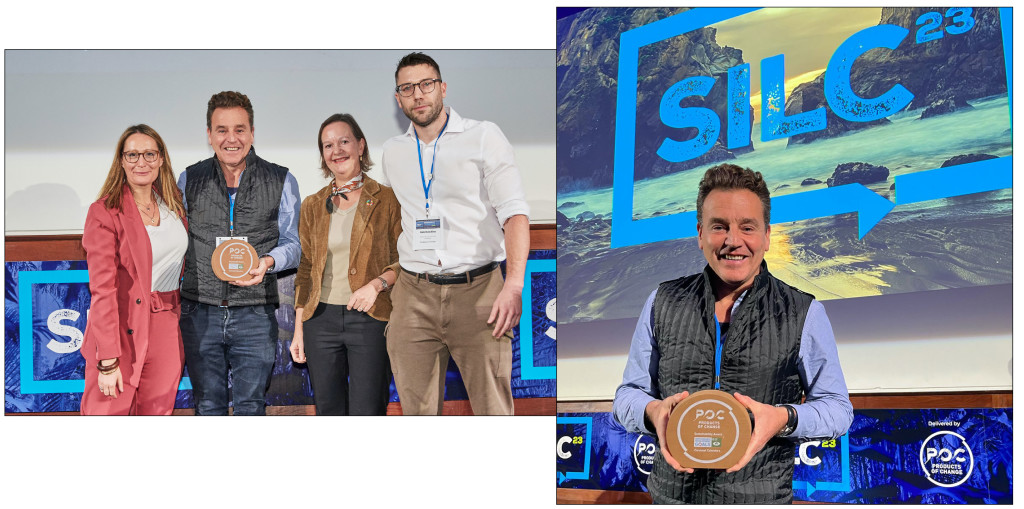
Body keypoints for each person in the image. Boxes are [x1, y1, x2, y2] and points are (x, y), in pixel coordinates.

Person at [612, 163, 853, 503]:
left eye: (747, 227)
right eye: (719, 227)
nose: (733, 241)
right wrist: (652, 413)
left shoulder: (804, 312)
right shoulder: (661, 301)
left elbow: (838, 409)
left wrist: (783, 418)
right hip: (671, 498)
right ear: (700, 234)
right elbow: (627, 395)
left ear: (767, 236)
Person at [380, 52, 530, 415]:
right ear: (398, 99)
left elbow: (514, 214)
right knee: (417, 413)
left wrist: (513, 286)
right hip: (414, 296)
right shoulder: (393, 152)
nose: (418, 94)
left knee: (493, 410)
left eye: (426, 84)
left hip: (478, 293)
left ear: (442, 88)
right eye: (407, 88)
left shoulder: (483, 136)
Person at [177, 91, 300, 416]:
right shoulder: (189, 179)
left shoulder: (281, 179)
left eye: (240, 129)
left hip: (255, 314)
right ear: (209, 135)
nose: (231, 139)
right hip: (200, 312)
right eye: (222, 130)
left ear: (252, 132)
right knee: (207, 406)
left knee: (251, 406)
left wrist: (269, 262)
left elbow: (294, 245)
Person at [289, 113, 402, 415]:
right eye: (328, 145)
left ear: (361, 146)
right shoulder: (313, 205)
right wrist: (299, 330)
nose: (336, 150)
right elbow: (305, 271)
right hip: (319, 322)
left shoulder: (388, 200)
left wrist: (378, 285)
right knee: (329, 411)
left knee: (368, 410)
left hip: (370, 320)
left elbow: (405, 260)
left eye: (343, 141)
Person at [80, 124, 188, 415]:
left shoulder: (174, 204)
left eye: (150, 154)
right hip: (121, 330)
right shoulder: (104, 211)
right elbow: (102, 289)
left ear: (162, 158)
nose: (142, 162)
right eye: (132, 155)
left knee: (157, 415)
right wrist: (108, 359)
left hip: (166, 327)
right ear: (121, 161)